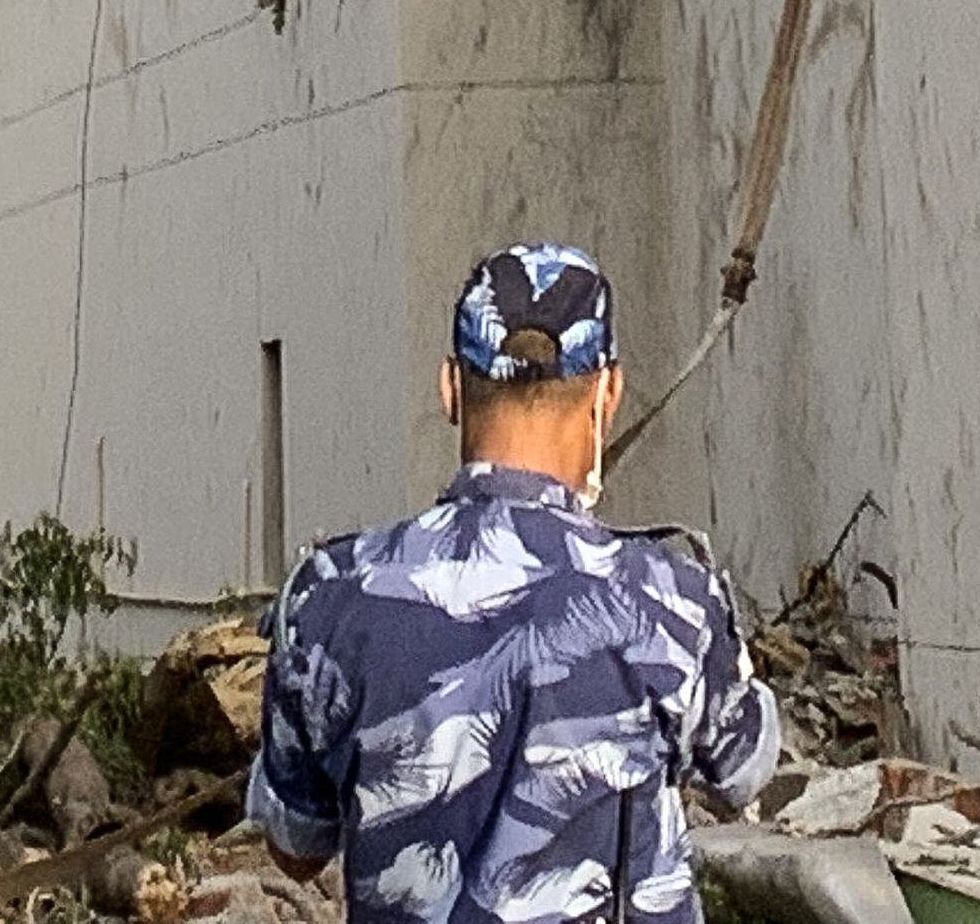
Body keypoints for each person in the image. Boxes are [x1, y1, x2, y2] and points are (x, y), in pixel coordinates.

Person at [252, 242, 779, 924]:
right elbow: (743, 771)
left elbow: (296, 844)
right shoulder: (670, 597)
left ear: (449, 388)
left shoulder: (330, 596)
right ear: (608, 393)